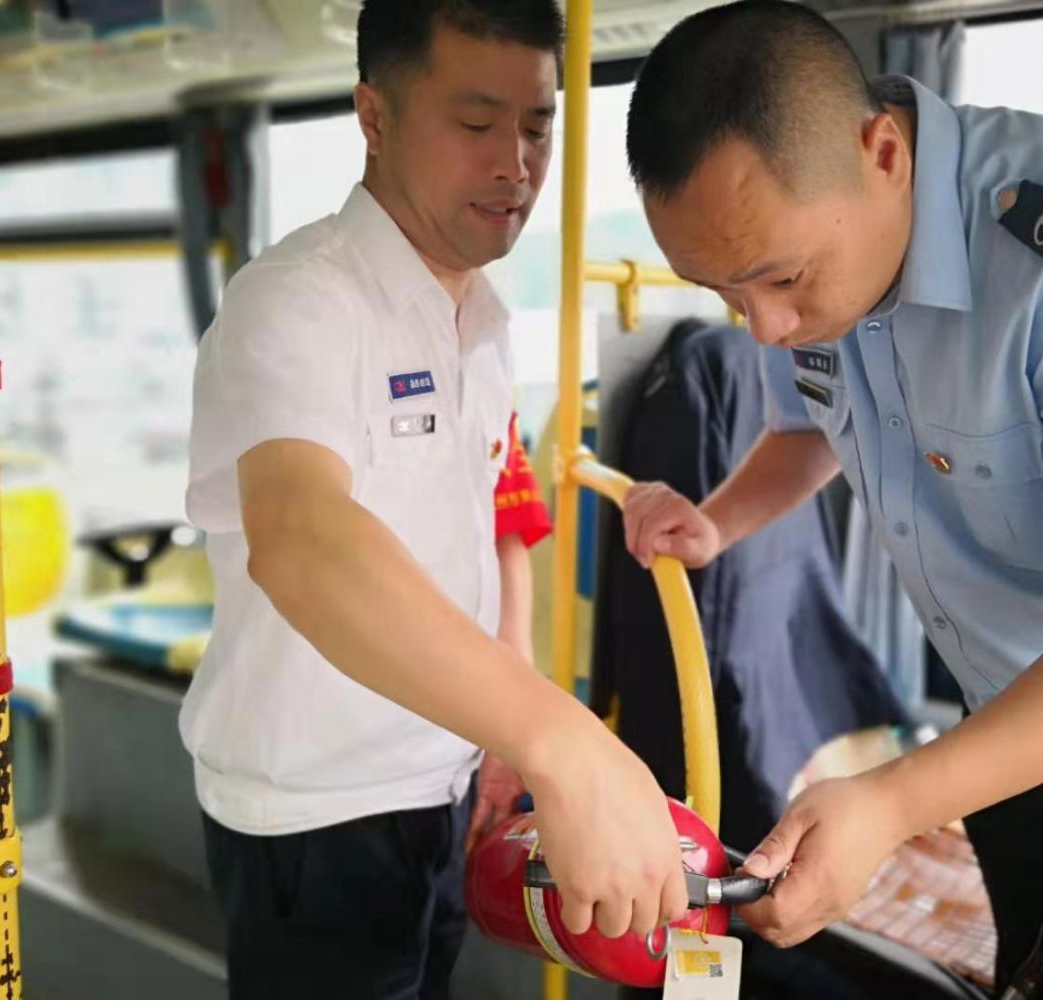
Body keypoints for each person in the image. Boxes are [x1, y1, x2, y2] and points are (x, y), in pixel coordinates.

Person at [621, 2, 1043, 996]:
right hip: (1007, 741)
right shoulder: (814, 252)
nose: (762, 328)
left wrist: (893, 800)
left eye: (779, 280)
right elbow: (812, 421)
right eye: (726, 295)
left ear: (884, 153)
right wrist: (717, 521)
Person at [180, 2, 688, 996]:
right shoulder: (296, 300)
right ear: (374, 116)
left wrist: (500, 735)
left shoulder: (482, 324)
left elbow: (487, 533)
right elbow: (300, 536)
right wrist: (560, 738)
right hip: (319, 808)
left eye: (536, 126)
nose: (515, 164)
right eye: (475, 122)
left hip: (444, 780)